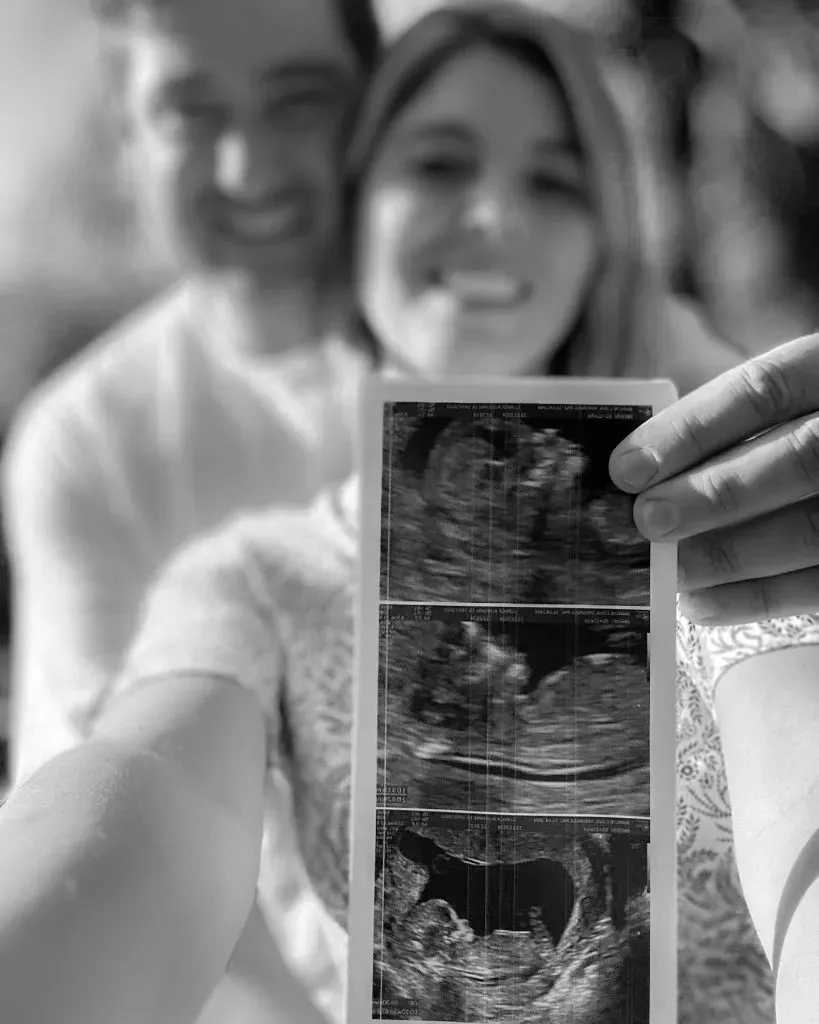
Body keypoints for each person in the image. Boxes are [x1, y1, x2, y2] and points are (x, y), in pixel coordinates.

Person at [0, 3, 767, 1023]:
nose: (494, 216)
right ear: (353, 209)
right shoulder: (243, 567)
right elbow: (149, 799)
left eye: (554, 180)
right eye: (439, 164)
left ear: (601, 235)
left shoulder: (727, 501)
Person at [1, 0, 379, 1020]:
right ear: (126, 140)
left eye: (299, 101)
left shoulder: (514, 361)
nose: (248, 168)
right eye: (189, 112)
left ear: (374, 110)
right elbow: (135, 845)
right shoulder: (87, 445)